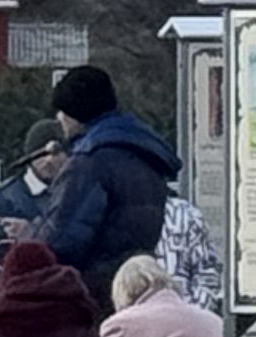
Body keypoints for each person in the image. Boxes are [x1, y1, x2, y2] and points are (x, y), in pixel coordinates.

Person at [32, 67, 178, 307]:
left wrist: (31, 236)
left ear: (75, 113)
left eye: (62, 110)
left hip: (92, 295)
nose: (59, 117)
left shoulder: (90, 162)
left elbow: (63, 240)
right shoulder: (142, 153)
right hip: (136, 285)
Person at [0, 123, 64, 279]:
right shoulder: (6, 196)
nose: (49, 160)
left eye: (56, 153)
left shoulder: (75, 191)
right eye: (42, 153)